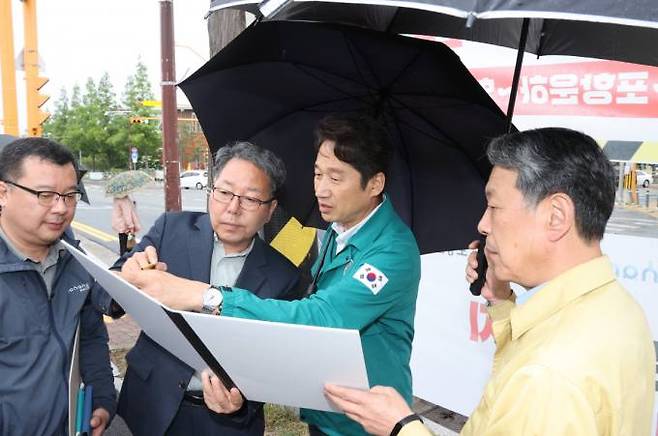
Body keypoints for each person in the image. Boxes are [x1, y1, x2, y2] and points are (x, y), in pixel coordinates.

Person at [323, 127, 656, 436]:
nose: (482, 224)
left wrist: (402, 427)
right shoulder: (615, 308)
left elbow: (535, 370)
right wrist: (498, 299)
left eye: (494, 206)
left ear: (556, 216)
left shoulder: (545, 378)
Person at [120, 113, 422, 436]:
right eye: (318, 174)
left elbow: (322, 316)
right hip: (330, 414)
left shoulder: (392, 251)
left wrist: (205, 296)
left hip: (369, 423)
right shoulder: (339, 229)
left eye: (336, 178)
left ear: (374, 183)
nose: (321, 189)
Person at [107, 141, 300, 436]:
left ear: (270, 210)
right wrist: (128, 277)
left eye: (250, 199)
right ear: (211, 192)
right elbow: (107, 294)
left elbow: (276, 362)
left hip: (224, 425)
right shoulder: (171, 229)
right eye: (224, 192)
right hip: (147, 403)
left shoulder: (284, 275)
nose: (233, 209)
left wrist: (240, 405)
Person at [0, 137, 116, 435]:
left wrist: (102, 400)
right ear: (3, 193)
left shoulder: (76, 260)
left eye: (69, 195)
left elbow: (90, 337)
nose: (61, 208)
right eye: (45, 194)